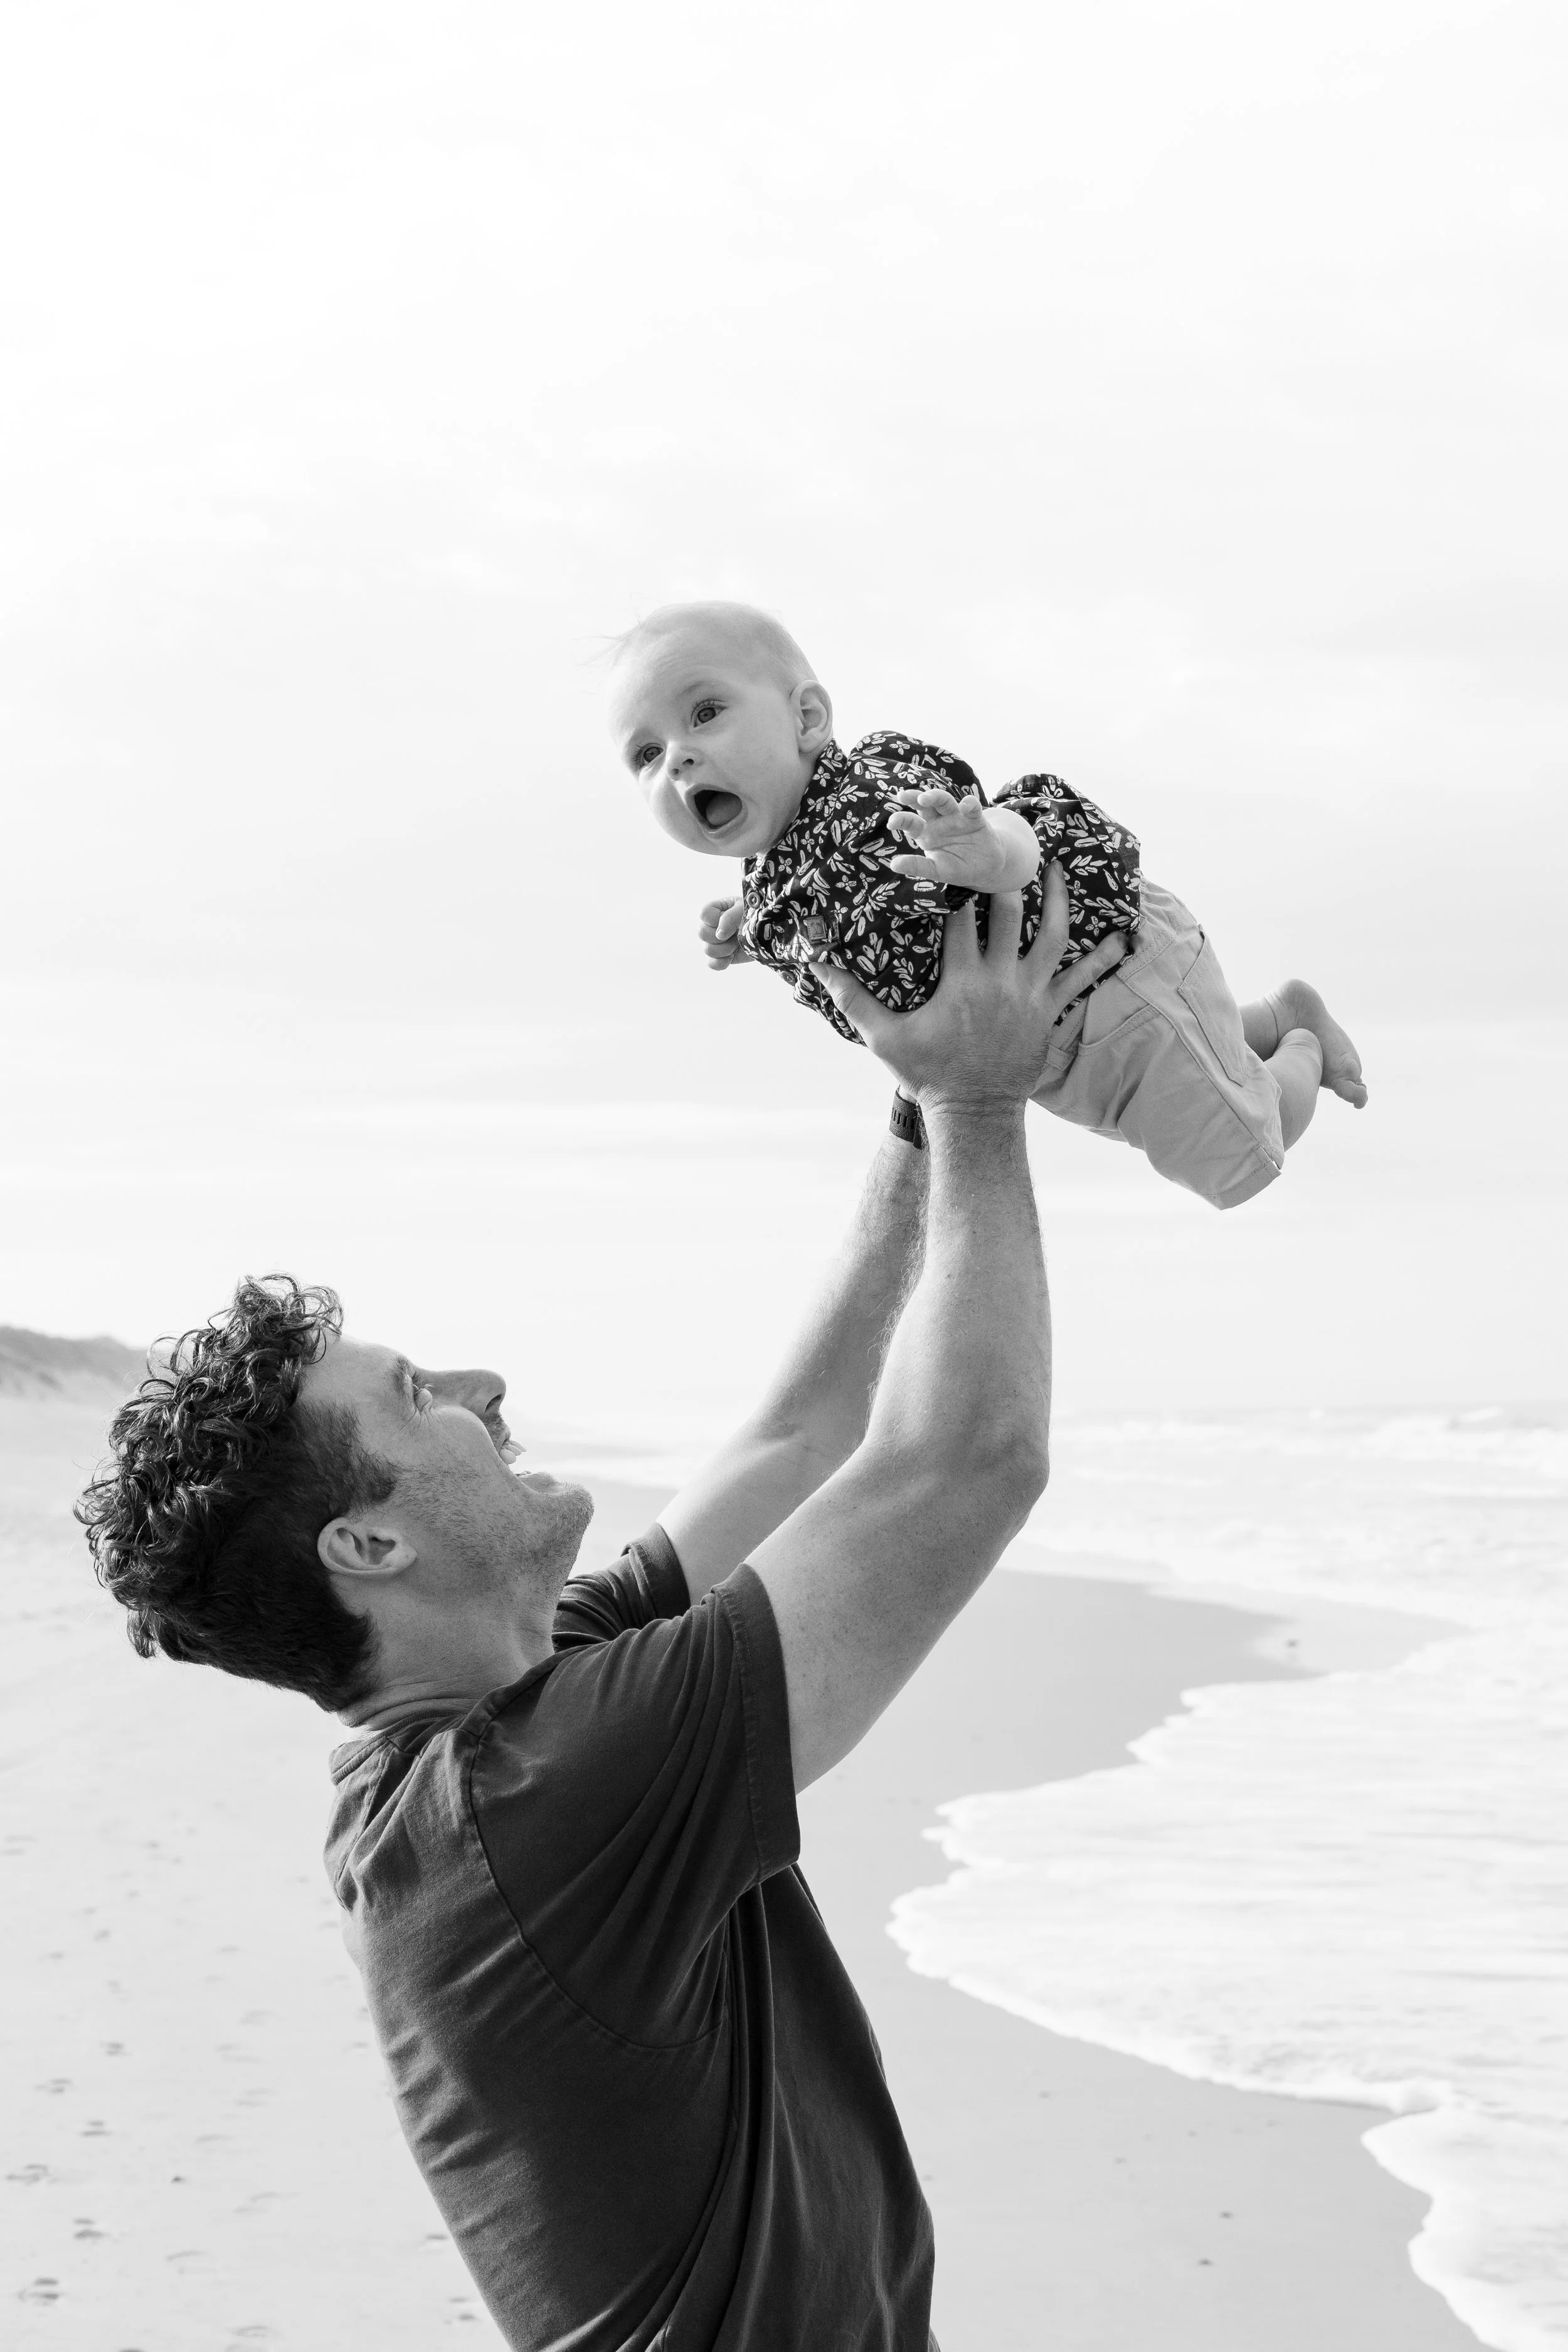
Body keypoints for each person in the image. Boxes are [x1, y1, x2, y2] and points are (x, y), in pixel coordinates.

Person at [75, 874, 1121, 2352]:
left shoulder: (519, 1700)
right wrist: (980, 1097)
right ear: (367, 1542)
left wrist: (910, 1093)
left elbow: (795, 1437)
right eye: (420, 1395)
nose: (487, 1386)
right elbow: (965, 1461)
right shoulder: (531, 1801)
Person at [610, 598, 1368, 1211]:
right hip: (1041, 1044)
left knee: (1231, 1153)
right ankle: (1264, 1020)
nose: (676, 757)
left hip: (1112, 981)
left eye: (705, 712)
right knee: (1178, 1083)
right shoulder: (773, 877)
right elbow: (832, 924)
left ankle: (1298, 1043)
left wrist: (984, 853)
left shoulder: (874, 792)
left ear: (807, 719)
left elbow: (1010, 833)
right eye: (646, 753)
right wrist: (750, 935)